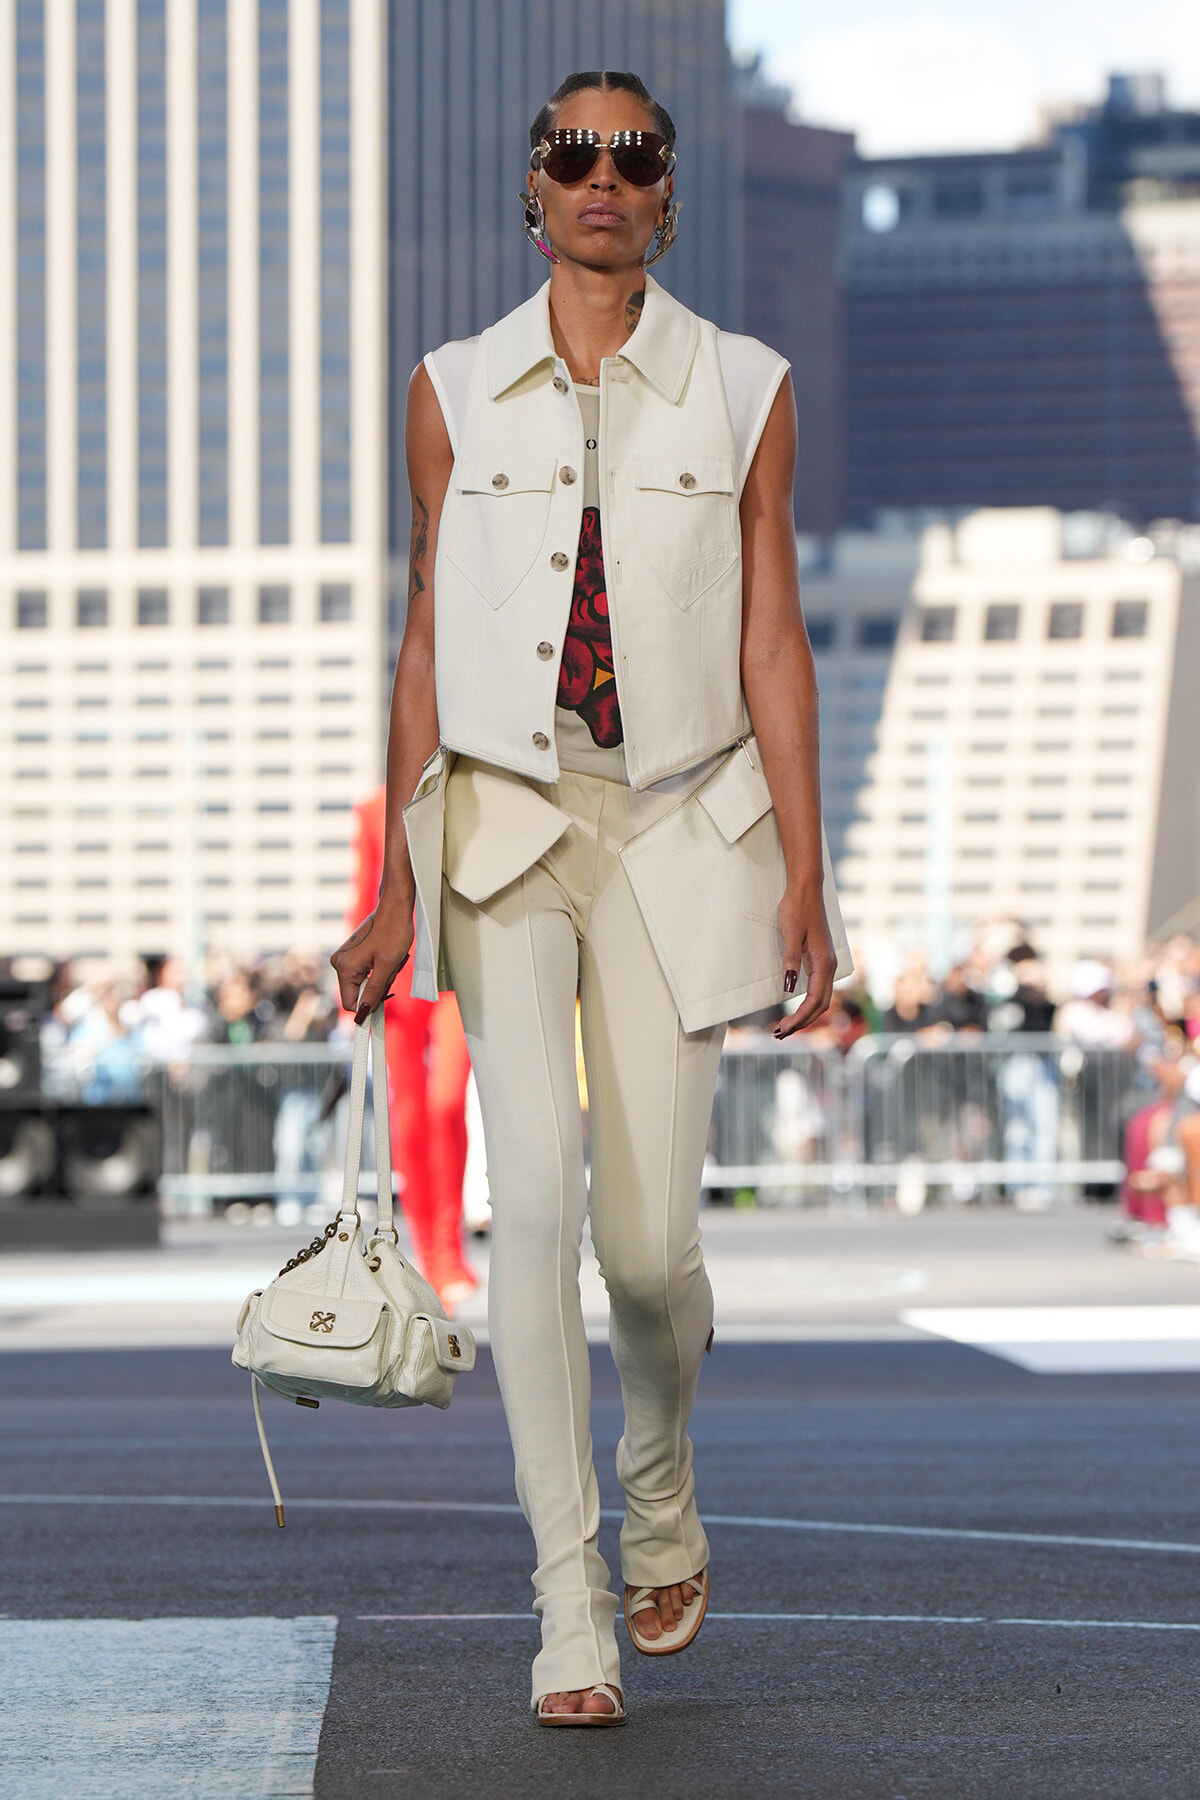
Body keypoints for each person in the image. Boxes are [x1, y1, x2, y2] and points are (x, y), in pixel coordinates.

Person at [330, 68, 849, 1727]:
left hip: (682, 827)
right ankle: (568, 1603)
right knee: (537, 1213)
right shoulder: (451, 390)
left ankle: (661, 1474)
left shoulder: (746, 387)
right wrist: (399, 884)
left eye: (633, 155)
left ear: (668, 194)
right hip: (502, 823)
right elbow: (426, 635)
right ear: (535, 192)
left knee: (646, 1249)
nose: (602, 176)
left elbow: (773, 637)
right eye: (575, 154)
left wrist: (810, 876)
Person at [348, 786, 477, 1307]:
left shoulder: (467, 792)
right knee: (406, 1118)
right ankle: (428, 1251)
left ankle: (448, 1249)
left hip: (457, 969)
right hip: (397, 976)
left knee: (446, 1103)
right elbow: (365, 894)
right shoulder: (373, 809)